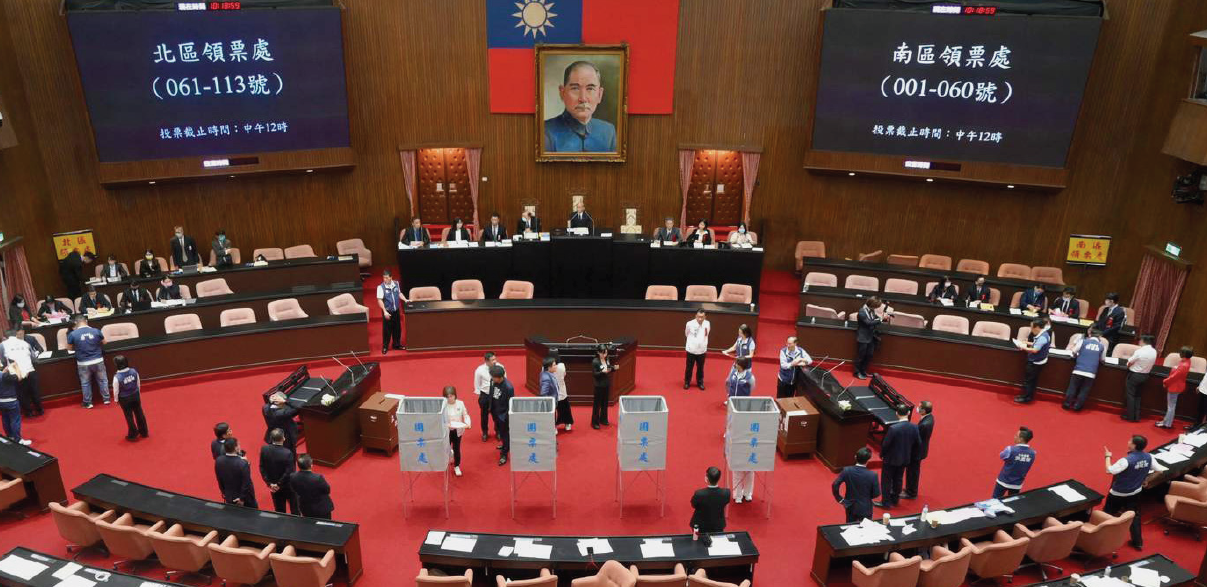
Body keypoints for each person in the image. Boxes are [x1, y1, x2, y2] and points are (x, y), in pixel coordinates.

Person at [1104, 435, 1165, 550]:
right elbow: (1159, 471)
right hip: (1135, 493)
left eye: (1130, 441)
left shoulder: (1126, 460)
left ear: (1134, 445)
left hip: (1117, 494)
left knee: (1106, 515)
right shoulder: (1149, 457)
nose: (1128, 442)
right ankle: (1137, 542)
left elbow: (1109, 470)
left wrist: (1107, 456)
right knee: (1134, 516)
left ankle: (1102, 540)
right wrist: (1147, 480)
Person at [544, 60, 617, 152]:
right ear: (562, 93)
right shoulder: (546, 131)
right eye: (575, 88)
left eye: (590, 89)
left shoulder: (608, 131)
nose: (583, 98)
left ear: (599, 95)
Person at [874, 405, 919, 509]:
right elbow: (918, 443)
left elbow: (886, 444)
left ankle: (885, 503)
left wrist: (882, 455)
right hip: (905, 459)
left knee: (886, 481)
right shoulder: (915, 427)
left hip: (890, 460)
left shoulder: (893, 428)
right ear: (908, 413)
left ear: (897, 414)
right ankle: (895, 500)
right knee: (898, 479)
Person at [66, 314, 109, 408]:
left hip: (83, 363)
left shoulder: (72, 334)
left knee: (85, 383)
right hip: (98, 360)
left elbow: (69, 348)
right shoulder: (96, 331)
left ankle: (88, 403)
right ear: (86, 321)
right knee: (103, 380)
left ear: (76, 323)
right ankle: (106, 399)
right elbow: (105, 342)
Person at [832, 447, 880, 523]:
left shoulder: (847, 470)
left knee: (850, 527)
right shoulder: (873, 475)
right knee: (865, 528)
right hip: (865, 508)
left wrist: (839, 499)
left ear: (855, 457)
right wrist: (867, 497)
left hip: (850, 506)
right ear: (868, 460)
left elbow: (835, 484)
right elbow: (876, 494)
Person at [1064, 328, 1106, 412]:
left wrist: (1077, 356)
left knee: (1072, 387)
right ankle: (1077, 407)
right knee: (1084, 390)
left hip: (1078, 369)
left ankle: (1067, 404)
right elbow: (1102, 359)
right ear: (1099, 337)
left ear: (1090, 335)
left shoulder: (1082, 341)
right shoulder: (1102, 346)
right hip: (1091, 373)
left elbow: (1073, 351)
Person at [110, 355, 148, 440]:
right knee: (139, 413)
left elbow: (116, 391)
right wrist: (137, 393)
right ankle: (144, 432)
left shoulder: (117, 377)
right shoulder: (134, 371)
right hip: (135, 395)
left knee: (129, 416)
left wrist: (116, 400)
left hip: (125, 399)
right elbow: (138, 384)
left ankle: (133, 434)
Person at [259, 428, 297, 514]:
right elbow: (289, 472)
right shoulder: (288, 453)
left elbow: (262, 468)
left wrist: (270, 484)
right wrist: (278, 484)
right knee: (294, 508)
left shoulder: (264, 449)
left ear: (271, 438)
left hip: (273, 487)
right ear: (283, 438)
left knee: (279, 510)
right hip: (287, 486)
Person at [8, 328, 43, 417]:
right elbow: (33, 358)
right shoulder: (24, 344)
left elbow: (5, 362)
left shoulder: (5, 346)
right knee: (32, 391)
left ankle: (30, 412)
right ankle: (37, 410)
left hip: (20, 372)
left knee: (24, 393)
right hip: (27, 371)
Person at [1014, 319, 1051, 404]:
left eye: (1031, 327)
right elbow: (1036, 344)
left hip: (1035, 363)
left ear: (1037, 327)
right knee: (1031, 380)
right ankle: (1026, 396)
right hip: (1038, 361)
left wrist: (1023, 347)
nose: (1031, 329)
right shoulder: (1044, 334)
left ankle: (1026, 398)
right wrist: (1026, 342)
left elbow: (1035, 350)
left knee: (1029, 381)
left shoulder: (1042, 337)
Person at [689, 466, 731, 542]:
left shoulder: (699, 494)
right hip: (718, 525)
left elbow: (693, 505)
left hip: (700, 526)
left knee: (698, 542)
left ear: (707, 478)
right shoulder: (726, 493)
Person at [993, 426, 1036, 498]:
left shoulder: (1010, 449)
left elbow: (1001, 456)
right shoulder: (1033, 453)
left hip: (1002, 481)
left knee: (995, 500)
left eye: (1016, 435)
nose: (1014, 437)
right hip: (1017, 485)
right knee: (1012, 502)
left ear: (1021, 439)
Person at [855, 297, 892, 380]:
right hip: (863, 337)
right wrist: (881, 319)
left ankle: (863, 371)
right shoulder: (862, 311)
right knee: (861, 356)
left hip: (871, 336)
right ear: (872, 305)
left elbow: (875, 318)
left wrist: (884, 319)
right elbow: (868, 322)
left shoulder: (871, 310)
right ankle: (857, 372)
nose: (876, 308)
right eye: (876, 306)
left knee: (869, 355)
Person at [1123, 335, 1157, 422]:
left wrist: (1128, 366)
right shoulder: (1154, 351)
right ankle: (1136, 416)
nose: (1139, 341)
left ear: (1143, 341)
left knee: (1130, 395)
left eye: (1140, 340)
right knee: (1138, 396)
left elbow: (1129, 362)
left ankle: (1130, 416)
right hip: (1145, 376)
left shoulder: (1140, 351)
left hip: (1135, 375)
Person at [215, 437, 257, 508]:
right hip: (245, 499)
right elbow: (246, 483)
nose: (240, 446)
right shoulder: (242, 463)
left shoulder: (218, 460)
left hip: (229, 496)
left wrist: (225, 493)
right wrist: (241, 498)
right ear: (235, 448)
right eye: (238, 445)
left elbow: (219, 479)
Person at [903, 401, 933, 500]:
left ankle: (911, 493)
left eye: (919, 407)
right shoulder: (930, 417)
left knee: (912, 472)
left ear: (923, 410)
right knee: (912, 471)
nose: (917, 408)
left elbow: (917, 439)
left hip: (917, 452)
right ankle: (909, 489)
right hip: (920, 450)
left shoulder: (924, 425)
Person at [1159, 347, 1194, 429]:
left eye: (1181, 352)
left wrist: (1165, 381)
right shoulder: (1186, 361)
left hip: (1175, 387)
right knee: (1171, 406)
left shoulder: (1184, 365)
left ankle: (1167, 424)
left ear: (1184, 354)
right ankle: (1165, 421)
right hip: (1176, 385)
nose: (1179, 353)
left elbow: (1174, 377)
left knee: (1171, 407)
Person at [290, 454, 334, 518]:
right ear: (311, 465)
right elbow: (327, 490)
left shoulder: (292, 476)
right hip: (321, 509)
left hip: (305, 508)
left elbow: (294, 489)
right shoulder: (318, 478)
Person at [474, 352, 503, 441]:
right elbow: (477, 384)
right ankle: (485, 432)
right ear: (486, 361)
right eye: (492, 360)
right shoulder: (480, 370)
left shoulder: (500, 367)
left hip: (496, 395)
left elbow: (504, 380)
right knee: (484, 416)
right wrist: (481, 396)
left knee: (497, 415)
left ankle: (498, 431)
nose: (495, 361)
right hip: (485, 395)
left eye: (495, 359)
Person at [376, 270, 406, 354]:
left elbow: (399, 293)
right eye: (384, 278)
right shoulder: (380, 287)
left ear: (391, 277)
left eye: (386, 278)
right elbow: (379, 300)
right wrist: (384, 311)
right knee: (387, 330)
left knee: (397, 328)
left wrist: (405, 299)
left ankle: (396, 344)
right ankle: (385, 346)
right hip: (387, 311)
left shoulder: (396, 283)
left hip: (396, 310)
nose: (385, 279)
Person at [488, 365, 513, 465]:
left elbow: (511, 405)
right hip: (495, 412)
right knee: (500, 432)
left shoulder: (508, 387)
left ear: (500, 377)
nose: (492, 378)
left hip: (503, 415)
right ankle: (504, 445)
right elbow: (491, 394)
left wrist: (505, 417)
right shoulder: (493, 381)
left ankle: (504, 454)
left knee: (505, 434)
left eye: (494, 377)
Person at [443, 386, 470, 477]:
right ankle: (448, 457)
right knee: (446, 448)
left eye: (451, 396)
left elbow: (465, 415)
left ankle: (457, 466)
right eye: (447, 397)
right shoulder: (443, 405)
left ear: (455, 395)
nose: (449, 398)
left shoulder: (460, 403)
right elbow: (440, 419)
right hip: (447, 431)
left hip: (458, 430)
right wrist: (446, 424)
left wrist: (468, 423)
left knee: (457, 448)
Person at [0, 360, 29, 445]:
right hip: (11, 401)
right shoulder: (6, 376)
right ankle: (18, 439)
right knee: (15, 420)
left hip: (1, 401)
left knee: (5, 419)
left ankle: (10, 437)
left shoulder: (3, 374)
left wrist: (6, 370)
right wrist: (15, 367)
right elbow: (19, 377)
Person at [684, 309, 710, 390]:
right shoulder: (689, 324)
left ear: (705, 317)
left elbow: (707, 334)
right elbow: (686, 333)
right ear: (695, 316)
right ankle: (687, 382)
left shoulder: (707, 323)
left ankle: (700, 382)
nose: (700, 319)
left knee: (700, 368)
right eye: (698, 317)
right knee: (689, 367)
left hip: (702, 350)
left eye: (702, 317)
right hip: (691, 349)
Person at [591, 344, 616, 429]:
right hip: (599, 386)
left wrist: (613, 368)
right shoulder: (595, 361)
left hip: (606, 384)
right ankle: (595, 422)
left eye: (606, 352)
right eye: (603, 353)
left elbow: (608, 367)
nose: (605, 354)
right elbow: (595, 374)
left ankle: (603, 419)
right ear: (598, 352)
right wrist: (602, 372)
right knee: (597, 405)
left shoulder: (607, 358)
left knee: (605, 404)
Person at [549, 350, 572, 432]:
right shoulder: (562, 365)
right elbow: (564, 374)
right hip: (561, 392)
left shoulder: (545, 367)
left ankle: (553, 427)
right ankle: (567, 424)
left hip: (553, 392)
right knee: (565, 408)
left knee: (552, 410)